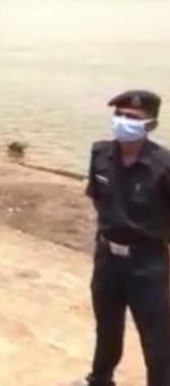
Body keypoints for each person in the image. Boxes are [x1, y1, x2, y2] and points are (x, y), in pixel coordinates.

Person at [73, 90, 170, 386]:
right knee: (107, 326)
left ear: (150, 125)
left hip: (148, 263)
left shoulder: (164, 166)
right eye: (119, 115)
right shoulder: (100, 153)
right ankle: (100, 379)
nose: (122, 122)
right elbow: (98, 198)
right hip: (107, 258)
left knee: (156, 337)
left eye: (132, 118)